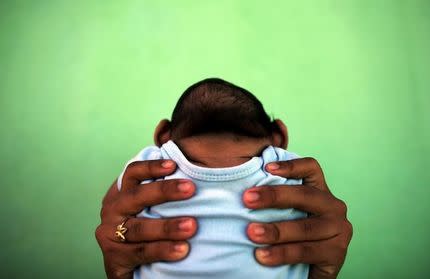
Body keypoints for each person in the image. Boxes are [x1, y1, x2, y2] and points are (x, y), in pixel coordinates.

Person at [95, 80, 353, 279]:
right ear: (279, 137)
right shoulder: (287, 167)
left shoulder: (151, 163)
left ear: (164, 135)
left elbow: (111, 207)